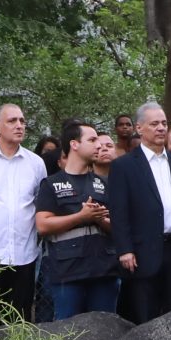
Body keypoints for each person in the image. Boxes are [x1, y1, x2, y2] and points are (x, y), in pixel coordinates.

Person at [107, 103, 171, 322]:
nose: (161, 128)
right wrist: (125, 249)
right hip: (142, 253)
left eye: (164, 123)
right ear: (139, 128)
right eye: (154, 124)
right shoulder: (124, 166)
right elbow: (119, 211)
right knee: (145, 316)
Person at [34, 120, 120, 320]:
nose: (99, 145)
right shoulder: (52, 184)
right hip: (67, 273)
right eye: (92, 140)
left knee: (105, 330)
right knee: (68, 333)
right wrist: (81, 217)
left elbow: (120, 228)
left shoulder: (104, 184)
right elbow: (42, 225)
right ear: (74, 144)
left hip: (104, 272)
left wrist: (99, 219)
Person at [0, 103, 48, 321]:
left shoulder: (36, 163)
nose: (19, 125)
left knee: (20, 319)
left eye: (22, 121)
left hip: (24, 254)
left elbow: (40, 202)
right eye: (12, 121)